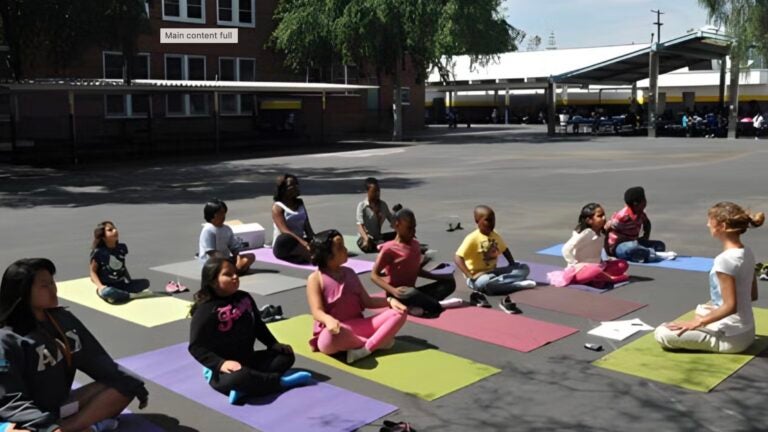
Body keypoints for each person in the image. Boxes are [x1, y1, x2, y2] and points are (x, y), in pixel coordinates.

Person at [0, 258, 149, 431]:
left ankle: (70, 428)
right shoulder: (6, 338)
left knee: (126, 384)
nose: (53, 289)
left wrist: (135, 385)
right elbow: (10, 401)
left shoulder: (63, 320)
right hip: (24, 418)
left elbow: (95, 357)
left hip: (59, 406)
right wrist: (46, 426)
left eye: (52, 282)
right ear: (23, 292)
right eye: (44, 285)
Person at [189, 256, 311, 405]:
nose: (235, 277)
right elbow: (196, 346)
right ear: (213, 281)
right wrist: (221, 364)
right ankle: (279, 383)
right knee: (239, 378)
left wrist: (273, 344)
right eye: (228, 274)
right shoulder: (206, 310)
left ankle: (246, 388)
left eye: (235, 273)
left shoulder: (244, 298)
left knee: (285, 356)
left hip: (248, 359)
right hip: (224, 370)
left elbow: (258, 325)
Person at [655, 202, 764, 353]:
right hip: (747, 331)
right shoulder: (747, 252)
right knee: (703, 308)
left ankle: (711, 335)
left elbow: (730, 306)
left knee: (662, 332)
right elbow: (752, 295)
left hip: (731, 338)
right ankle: (710, 324)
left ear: (723, 226)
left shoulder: (724, 260)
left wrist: (696, 323)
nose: (707, 224)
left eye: (710, 220)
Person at [306, 230, 407, 364]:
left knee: (400, 312)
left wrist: (390, 301)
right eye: (340, 247)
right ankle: (378, 342)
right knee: (329, 336)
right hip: (336, 332)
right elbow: (317, 311)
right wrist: (329, 320)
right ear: (327, 255)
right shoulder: (315, 279)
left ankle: (365, 349)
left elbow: (368, 301)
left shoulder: (350, 273)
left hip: (358, 326)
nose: (346, 249)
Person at [371, 209, 457, 318]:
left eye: (414, 227)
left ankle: (422, 305)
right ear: (397, 226)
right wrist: (393, 290)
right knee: (411, 293)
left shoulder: (415, 244)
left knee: (449, 283)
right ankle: (431, 305)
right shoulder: (389, 249)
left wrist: (438, 277)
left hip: (414, 292)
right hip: (400, 293)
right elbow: (374, 275)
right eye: (409, 228)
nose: (413, 232)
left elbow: (416, 270)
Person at [454, 205, 536, 296]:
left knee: (524, 268)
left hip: (493, 272)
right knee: (487, 283)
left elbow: (505, 249)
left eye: (493, 220)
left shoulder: (494, 234)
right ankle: (517, 285)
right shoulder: (472, 238)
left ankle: (503, 281)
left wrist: (512, 263)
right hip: (478, 277)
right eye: (488, 220)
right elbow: (458, 257)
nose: (491, 223)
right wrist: (470, 276)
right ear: (477, 221)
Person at [547, 203, 629, 288]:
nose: (604, 218)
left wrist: (605, 260)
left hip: (598, 266)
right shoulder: (586, 233)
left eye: (603, 215)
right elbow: (566, 249)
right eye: (600, 216)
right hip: (581, 270)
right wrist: (573, 264)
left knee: (623, 264)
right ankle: (610, 279)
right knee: (594, 270)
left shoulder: (601, 232)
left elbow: (597, 251)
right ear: (589, 220)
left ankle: (597, 278)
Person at [605, 186, 677, 263]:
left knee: (660, 245)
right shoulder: (622, 217)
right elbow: (606, 229)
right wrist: (606, 252)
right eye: (644, 200)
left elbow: (647, 223)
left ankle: (643, 253)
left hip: (634, 242)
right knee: (632, 248)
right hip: (619, 246)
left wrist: (645, 238)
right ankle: (658, 255)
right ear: (636, 204)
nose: (646, 202)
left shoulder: (641, 213)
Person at [89, 221, 150, 304]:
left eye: (115, 228)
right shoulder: (99, 252)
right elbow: (93, 272)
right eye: (110, 230)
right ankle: (128, 295)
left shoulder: (122, 248)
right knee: (107, 292)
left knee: (145, 283)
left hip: (121, 284)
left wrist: (129, 280)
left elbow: (122, 266)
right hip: (108, 286)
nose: (115, 231)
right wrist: (100, 287)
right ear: (103, 237)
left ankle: (119, 295)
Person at [198, 199, 255, 275]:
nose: (223, 216)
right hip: (212, 263)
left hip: (226, 260)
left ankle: (231, 271)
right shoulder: (208, 230)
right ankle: (231, 270)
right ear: (212, 215)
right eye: (220, 213)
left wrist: (238, 259)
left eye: (224, 213)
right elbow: (212, 253)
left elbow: (234, 248)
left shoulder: (227, 229)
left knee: (250, 256)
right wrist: (226, 263)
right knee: (221, 266)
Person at [271, 174, 315, 264]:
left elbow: (307, 226)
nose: (296, 187)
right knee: (287, 237)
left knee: (330, 235)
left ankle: (303, 255)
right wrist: (303, 243)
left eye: (296, 184)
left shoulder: (300, 203)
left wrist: (315, 241)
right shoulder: (277, 207)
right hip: (284, 246)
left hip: (301, 242)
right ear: (283, 189)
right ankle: (306, 255)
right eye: (292, 185)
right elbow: (285, 231)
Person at [356, 177, 397, 253]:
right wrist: (366, 238)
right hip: (366, 239)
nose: (377, 194)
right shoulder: (362, 206)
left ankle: (381, 245)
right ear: (367, 191)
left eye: (378, 191)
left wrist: (402, 229)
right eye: (374, 191)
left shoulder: (383, 205)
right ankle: (383, 245)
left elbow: (392, 220)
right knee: (367, 245)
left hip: (378, 237)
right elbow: (360, 226)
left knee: (399, 235)